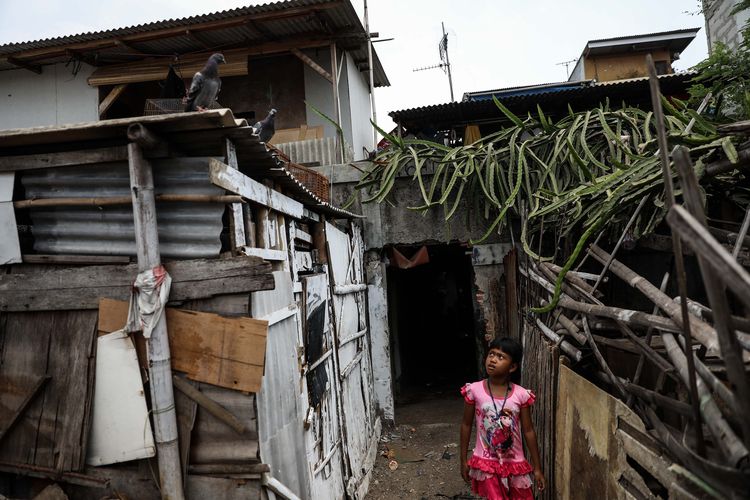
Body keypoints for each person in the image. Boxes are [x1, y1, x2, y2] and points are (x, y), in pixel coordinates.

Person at [459, 337, 545, 499]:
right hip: (486, 462)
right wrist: (463, 460)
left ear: (512, 367)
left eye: (500, 357)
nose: (493, 359)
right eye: (491, 354)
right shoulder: (474, 390)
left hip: (514, 462)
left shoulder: (521, 394)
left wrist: (537, 468)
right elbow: (466, 425)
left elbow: (528, 431)